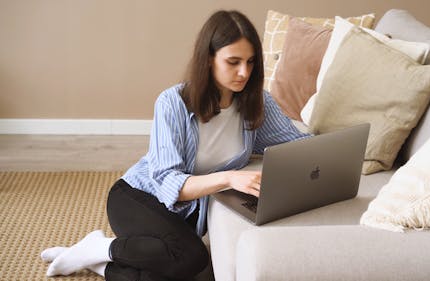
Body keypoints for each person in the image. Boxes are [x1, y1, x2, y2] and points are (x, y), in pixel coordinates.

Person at [40, 9, 311, 281]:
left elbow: (297, 143)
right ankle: (101, 247)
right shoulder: (173, 102)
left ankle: (97, 260)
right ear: (208, 60)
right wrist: (230, 177)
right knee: (192, 258)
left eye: (251, 62)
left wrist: (329, 156)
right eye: (233, 62)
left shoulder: (256, 104)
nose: (244, 72)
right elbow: (169, 183)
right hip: (138, 197)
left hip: (182, 215)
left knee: (187, 271)